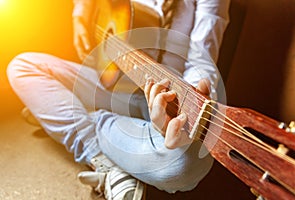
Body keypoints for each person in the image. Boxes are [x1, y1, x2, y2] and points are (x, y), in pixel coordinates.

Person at [7, 0, 230, 199]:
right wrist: (81, 14)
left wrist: (185, 105)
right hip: (103, 79)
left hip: (155, 104)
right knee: (22, 66)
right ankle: (101, 157)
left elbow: (201, 61)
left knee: (188, 167)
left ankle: (72, 115)